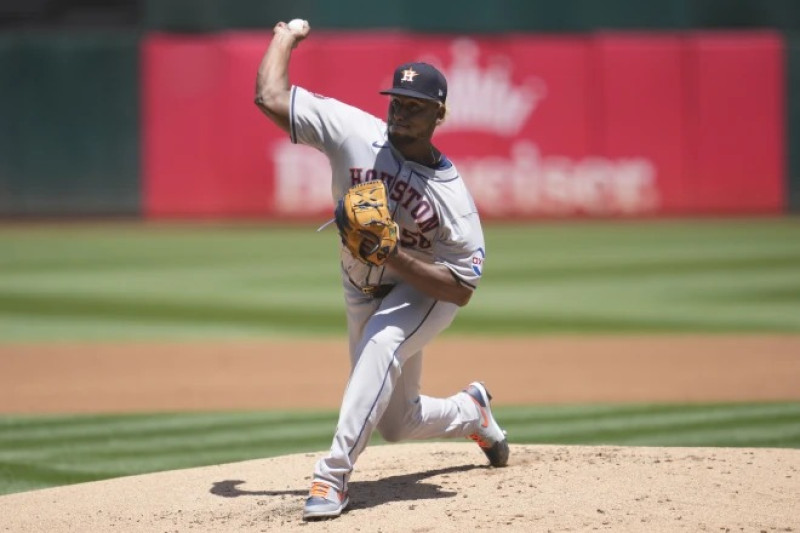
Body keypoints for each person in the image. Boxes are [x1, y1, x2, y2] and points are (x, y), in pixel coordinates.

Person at [254, 20, 509, 521]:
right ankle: (472, 411)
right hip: (359, 287)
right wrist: (284, 38)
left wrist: (392, 256)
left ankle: (331, 477)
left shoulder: (453, 199)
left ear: (438, 115)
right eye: (397, 101)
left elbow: (461, 289)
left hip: (424, 289)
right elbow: (270, 96)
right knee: (398, 423)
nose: (401, 111)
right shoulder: (354, 132)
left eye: (415, 106)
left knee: (382, 343)